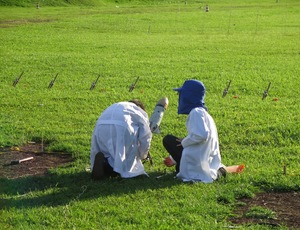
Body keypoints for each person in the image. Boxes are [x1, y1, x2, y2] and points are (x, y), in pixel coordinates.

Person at [163, 79, 244, 183]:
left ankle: (219, 171)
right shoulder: (204, 114)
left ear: (188, 96)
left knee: (168, 139)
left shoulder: (196, 112)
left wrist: (184, 142)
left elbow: (201, 135)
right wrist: (173, 158)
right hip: (206, 159)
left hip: (199, 163)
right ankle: (219, 170)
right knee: (179, 166)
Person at [90, 99, 152, 180]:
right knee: (126, 161)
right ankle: (114, 171)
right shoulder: (139, 111)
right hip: (122, 127)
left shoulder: (116, 105)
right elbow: (145, 136)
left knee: (108, 153)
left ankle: (104, 163)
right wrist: (143, 155)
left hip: (101, 127)